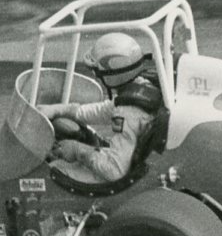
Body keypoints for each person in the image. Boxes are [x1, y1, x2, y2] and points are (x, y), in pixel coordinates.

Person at [40, 31, 165, 182]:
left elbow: (115, 171)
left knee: (54, 168)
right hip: (133, 160)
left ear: (112, 73)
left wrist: (78, 150)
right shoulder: (142, 87)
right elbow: (102, 111)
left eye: (98, 72)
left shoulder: (127, 112)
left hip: (119, 175)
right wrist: (59, 109)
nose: (97, 76)